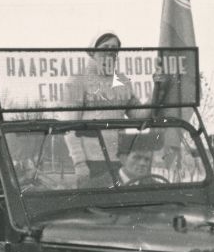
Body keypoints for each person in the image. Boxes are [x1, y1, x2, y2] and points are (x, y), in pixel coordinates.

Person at [63, 32, 155, 186]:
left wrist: (157, 89)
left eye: (114, 48)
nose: (110, 51)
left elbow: (139, 116)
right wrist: (79, 163)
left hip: (117, 159)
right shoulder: (78, 80)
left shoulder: (122, 81)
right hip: (90, 161)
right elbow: (69, 127)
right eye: (105, 47)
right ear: (93, 51)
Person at [82, 131, 165, 188]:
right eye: (137, 157)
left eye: (147, 159)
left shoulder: (156, 187)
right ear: (122, 159)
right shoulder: (97, 186)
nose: (143, 163)